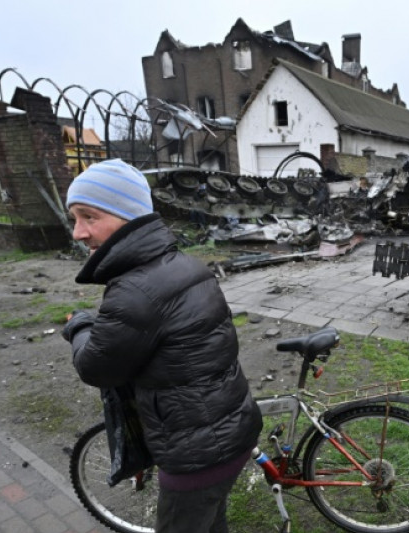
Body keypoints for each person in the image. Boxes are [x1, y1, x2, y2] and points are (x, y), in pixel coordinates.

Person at [61, 159, 262, 533]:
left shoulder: (135, 291)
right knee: (212, 522)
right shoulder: (187, 265)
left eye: (89, 216)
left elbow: (95, 367)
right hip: (233, 432)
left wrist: (80, 326)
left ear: (128, 217)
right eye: (74, 218)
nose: (77, 232)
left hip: (196, 455)